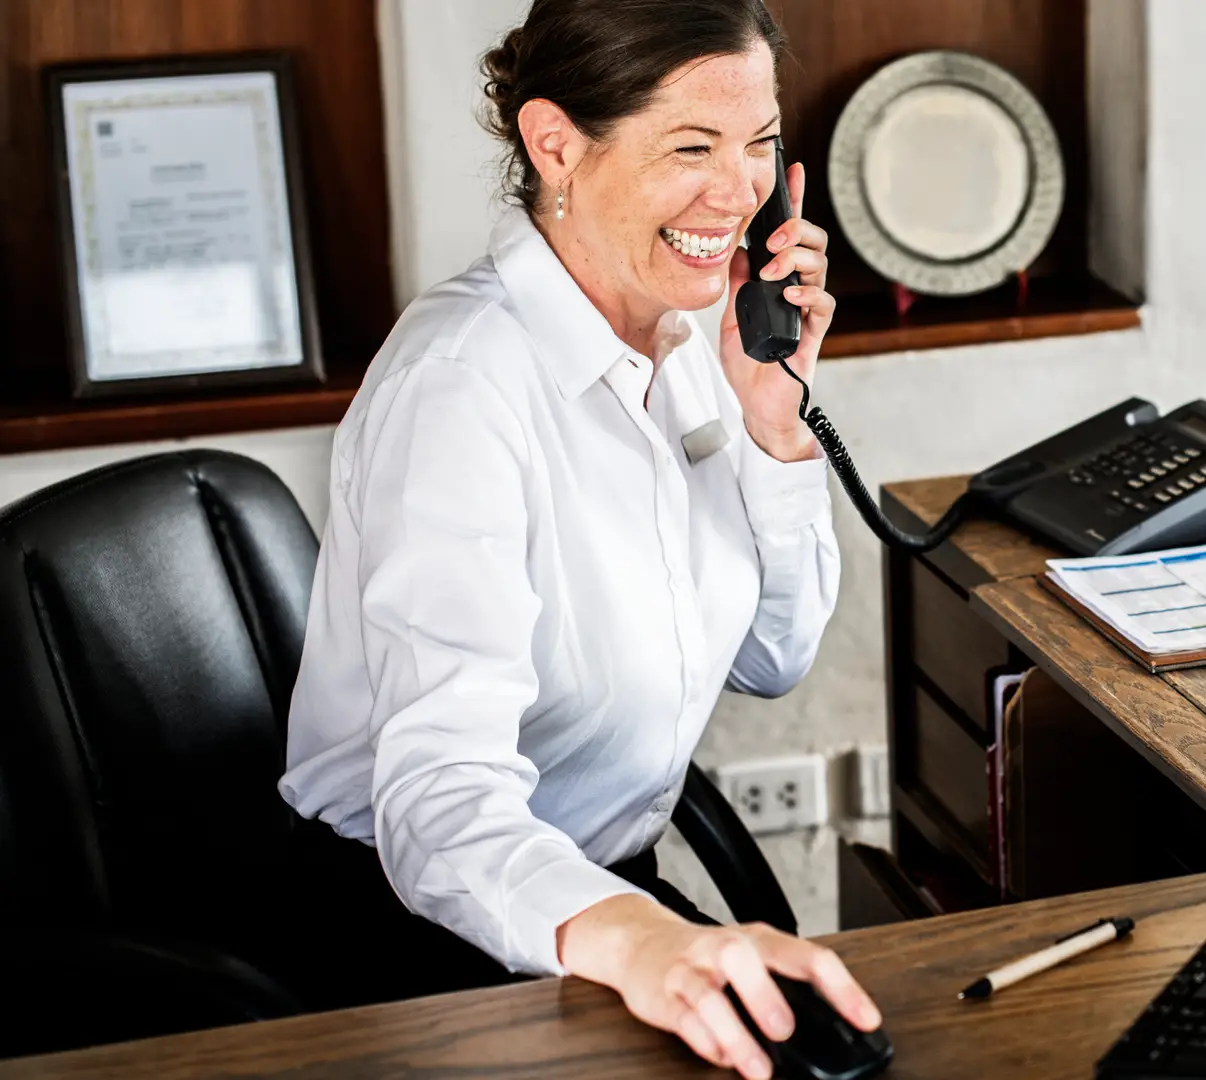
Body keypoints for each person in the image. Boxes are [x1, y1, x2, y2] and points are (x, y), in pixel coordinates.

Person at [275, 2, 876, 1076]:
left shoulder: (688, 332)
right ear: (555, 144)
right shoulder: (463, 388)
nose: (739, 193)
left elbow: (771, 659)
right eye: (691, 147)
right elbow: (438, 800)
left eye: (759, 144)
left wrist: (774, 428)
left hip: (600, 886)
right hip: (426, 927)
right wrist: (642, 937)